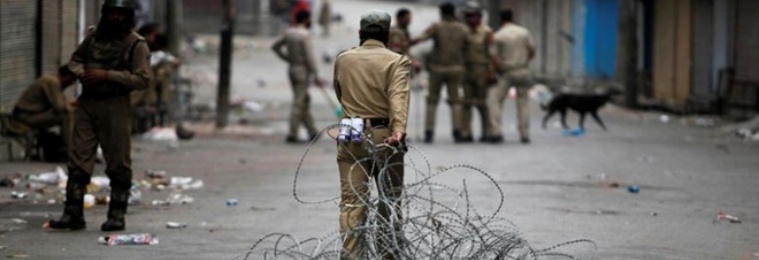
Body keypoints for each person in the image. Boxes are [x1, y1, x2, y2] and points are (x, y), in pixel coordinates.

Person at [48, 0, 152, 232]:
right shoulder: (94, 36)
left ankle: (117, 215)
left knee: (117, 161)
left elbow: (143, 79)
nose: (115, 18)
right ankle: (72, 214)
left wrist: (108, 75)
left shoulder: (136, 44)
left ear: (128, 17)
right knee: (78, 160)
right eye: (112, 13)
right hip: (88, 104)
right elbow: (75, 60)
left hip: (115, 105)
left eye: (120, 14)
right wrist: (81, 74)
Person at [333, 10, 410, 259]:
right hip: (383, 133)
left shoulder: (343, 59)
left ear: (360, 33)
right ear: (387, 35)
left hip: (350, 130)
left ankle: (352, 256)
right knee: (389, 200)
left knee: (352, 201)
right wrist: (398, 130)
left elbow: (340, 91)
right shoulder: (397, 61)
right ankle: (388, 254)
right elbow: (397, 98)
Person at [411, 2, 468, 143]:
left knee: (432, 100)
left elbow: (422, 37)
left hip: (437, 68)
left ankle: (429, 132)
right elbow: (469, 45)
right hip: (456, 68)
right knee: (455, 100)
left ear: (441, 13)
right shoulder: (462, 29)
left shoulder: (437, 27)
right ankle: (457, 131)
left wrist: (408, 43)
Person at [272, 10, 323, 143]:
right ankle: (292, 132)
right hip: (302, 71)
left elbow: (275, 46)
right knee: (299, 102)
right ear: (306, 20)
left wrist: (287, 58)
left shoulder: (289, 32)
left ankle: (312, 130)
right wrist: (315, 74)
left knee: (303, 100)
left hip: (292, 69)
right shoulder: (304, 35)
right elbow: (309, 57)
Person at [487, 9, 536, 144]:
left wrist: (498, 70)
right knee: (523, 102)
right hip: (523, 70)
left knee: (495, 100)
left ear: (500, 19)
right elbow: (532, 51)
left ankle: (496, 131)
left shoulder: (498, 36)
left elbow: (494, 58)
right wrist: (524, 60)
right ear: (512, 17)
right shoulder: (524, 32)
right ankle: (524, 134)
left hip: (506, 72)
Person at [10, 66, 77, 160]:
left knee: (71, 115)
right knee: (67, 116)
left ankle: (73, 150)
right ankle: (70, 152)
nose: (72, 83)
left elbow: (62, 104)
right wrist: (71, 108)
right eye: (72, 79)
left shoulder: (53, 81)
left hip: (32, 115)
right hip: (25, 117)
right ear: (67, 76)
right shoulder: (52, 81)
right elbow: (59, 107)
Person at [461, 4, 494, 142]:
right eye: (468, 16)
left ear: (479, 17)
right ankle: (466, 133)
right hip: (466, 70)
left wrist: (491, 72)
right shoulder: (463, 31)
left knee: (482, 103)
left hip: (481, 69)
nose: (471, 19)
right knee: (466, 103)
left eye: (473, 16)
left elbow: (491, 54)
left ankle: (487, 132)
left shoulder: (486, 32)